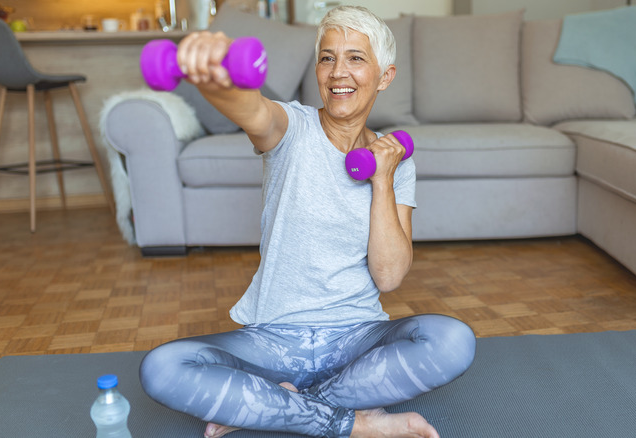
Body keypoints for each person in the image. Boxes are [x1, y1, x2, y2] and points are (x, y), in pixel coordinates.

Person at [139, 6, 476, 438]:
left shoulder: (394, 160)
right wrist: (213, 75)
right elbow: (250, 107)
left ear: (385, 75)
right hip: (272, 340)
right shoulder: (291, 128)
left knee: (453, 340)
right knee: (163, 368)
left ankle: (267, 404)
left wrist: (383, 180)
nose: (339, 72)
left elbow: (389, 276)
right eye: (327, 57)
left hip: (357, 339)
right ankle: (350, 423)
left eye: (356, 58)